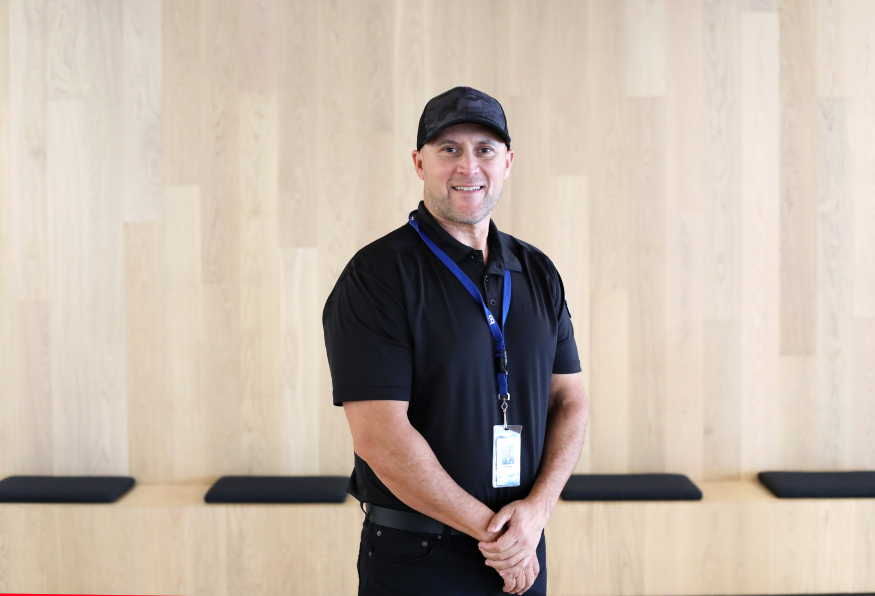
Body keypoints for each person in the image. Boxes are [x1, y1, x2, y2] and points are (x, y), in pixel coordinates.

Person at [323, 86, 589, 596]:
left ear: (507, 162)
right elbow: (380, 437)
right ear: (419, 163)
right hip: (419, 559)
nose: (469, 166)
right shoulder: (377, 277)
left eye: (484, 150)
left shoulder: (537, 272)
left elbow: (569, 400)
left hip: (522, 551)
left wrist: (535, 514)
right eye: (449, 149)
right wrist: (499, 536)